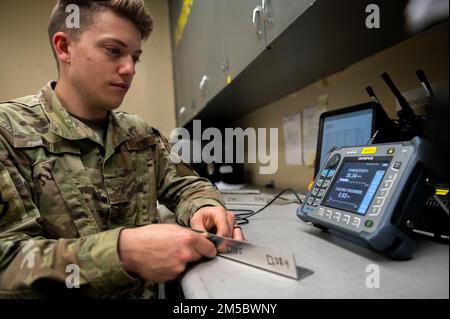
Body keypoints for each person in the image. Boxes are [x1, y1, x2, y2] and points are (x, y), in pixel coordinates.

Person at [0, 0, 243, 298]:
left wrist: (203, 206)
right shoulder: (8, 135)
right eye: (114, 51)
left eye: (135, 58)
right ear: (65, 47)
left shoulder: (140, 134)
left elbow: (185, 184)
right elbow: (6, 260)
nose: (129, 69)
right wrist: (121, 253)